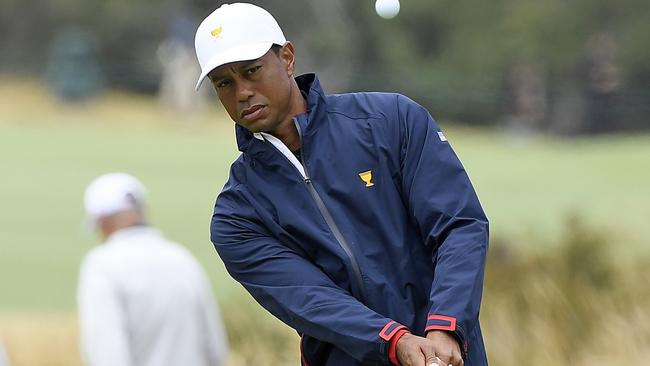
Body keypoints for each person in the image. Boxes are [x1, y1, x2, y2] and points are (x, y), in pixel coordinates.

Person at [195, 3, 489, 366]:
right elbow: (314, 302)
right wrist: (396, 342)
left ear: (287, 57)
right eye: (224, 82)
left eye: (251, 71)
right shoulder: (236, 215)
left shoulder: (391, 120)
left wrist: (445, 327)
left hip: (450, 355)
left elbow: (458, 226)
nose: (241, 92)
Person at [78, 173, 228, 366]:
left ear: (103, 222)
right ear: (143, 211)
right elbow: (215, 346)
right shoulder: (183, 259)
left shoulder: (101, 266)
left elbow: (107, 350)